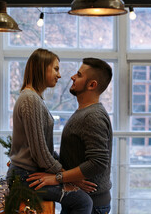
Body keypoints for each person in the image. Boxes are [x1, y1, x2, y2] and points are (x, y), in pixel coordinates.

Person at [7, 48, 95, 214]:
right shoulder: (30, 100)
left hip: (30, 175)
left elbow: (45, 150)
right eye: (55, 69)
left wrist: (68, 175)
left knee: (77, 199)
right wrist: (68, 177)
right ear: (41, 68)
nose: (60, 75)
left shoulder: (34, 98)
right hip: (26, 178)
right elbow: (40, 153)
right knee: (83, 202)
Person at [27, 58, 113, 214]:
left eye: (79, 75)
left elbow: (98, 162)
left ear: (92, 85)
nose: (72, 77)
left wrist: (57, 178)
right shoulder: (84, 112)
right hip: (78, 199)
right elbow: (73, 157)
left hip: (91, 205)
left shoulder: (93, 116)